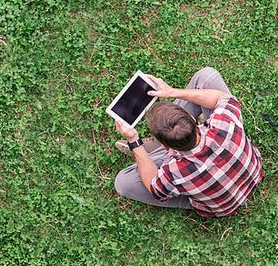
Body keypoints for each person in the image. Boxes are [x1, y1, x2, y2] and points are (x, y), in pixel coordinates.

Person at [113, 67, 263, 217]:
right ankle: (156, 149)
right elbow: (221, 97)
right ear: (192, 119)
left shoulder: (174, 171)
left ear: (166, 146)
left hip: (221, 207)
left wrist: (134, 142)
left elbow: (155, 189)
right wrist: (174, 91)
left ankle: (151, 151)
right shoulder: (224, 120)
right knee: (207, 76)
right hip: (253, 173)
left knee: (123, 183)